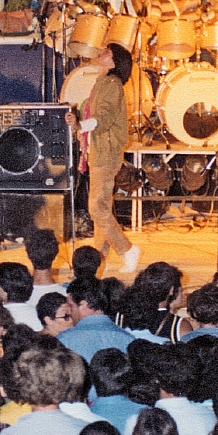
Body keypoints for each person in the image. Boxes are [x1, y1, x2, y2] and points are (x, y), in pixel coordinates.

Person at [64, 44, 140, 272]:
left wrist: (79, 124)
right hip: (99, 152)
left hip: (105, 154)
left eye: (106, 52)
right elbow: (92, 113)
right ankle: (99, 261)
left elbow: (103, 118)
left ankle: (127, 249)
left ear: (114, 62)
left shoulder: (111, 84)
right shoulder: (102, 84)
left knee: (97, 208)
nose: (100, 53)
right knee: (102, 207)